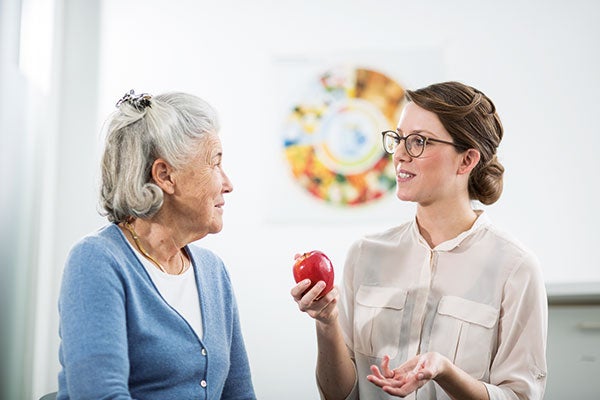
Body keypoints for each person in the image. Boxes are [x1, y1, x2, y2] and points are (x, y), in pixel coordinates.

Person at [291, 81, 547, 400]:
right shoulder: (365, 254)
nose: (399, 154)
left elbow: (520, 396)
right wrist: (326, 322)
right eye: (399, 139)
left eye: (419, 142)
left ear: (466, 161)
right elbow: (339, 394)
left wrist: (446, 372)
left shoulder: (515, 268)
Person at [57, 90, 256, 399]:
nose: (228, 184)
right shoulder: (97, 261)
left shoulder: (213, 272)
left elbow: (239, 394)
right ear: (165, 175)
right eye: (215, 164)